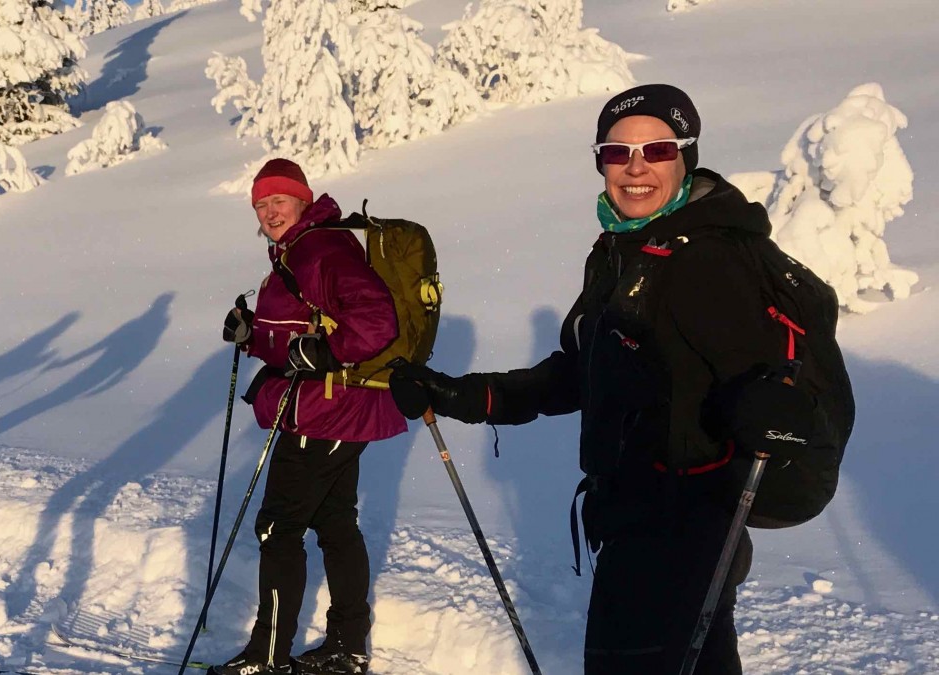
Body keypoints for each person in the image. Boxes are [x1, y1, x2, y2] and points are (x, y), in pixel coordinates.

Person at [388, 84, 829, 674]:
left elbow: (759, 388)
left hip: (682, 534)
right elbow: (585, 372)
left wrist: (770, 412)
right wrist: (465, 394)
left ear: (687, 156)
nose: (636, 167)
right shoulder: (625, 250)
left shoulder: (708, 259)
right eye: (617, 152)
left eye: (658, 149)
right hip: (636, 524)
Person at [212, 159, 404, 675]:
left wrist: (329, 352)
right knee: (336, 523)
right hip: (330, 407)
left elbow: (377, 320)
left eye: (279, 200)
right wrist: (253, 335)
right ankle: (346, 647)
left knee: (279, 528)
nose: (270, 211)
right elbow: (300, 333)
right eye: (261, 204)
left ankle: (268, 655)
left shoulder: (320, 247)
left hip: (326, 410)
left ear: (302, 199)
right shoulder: (296, 251)